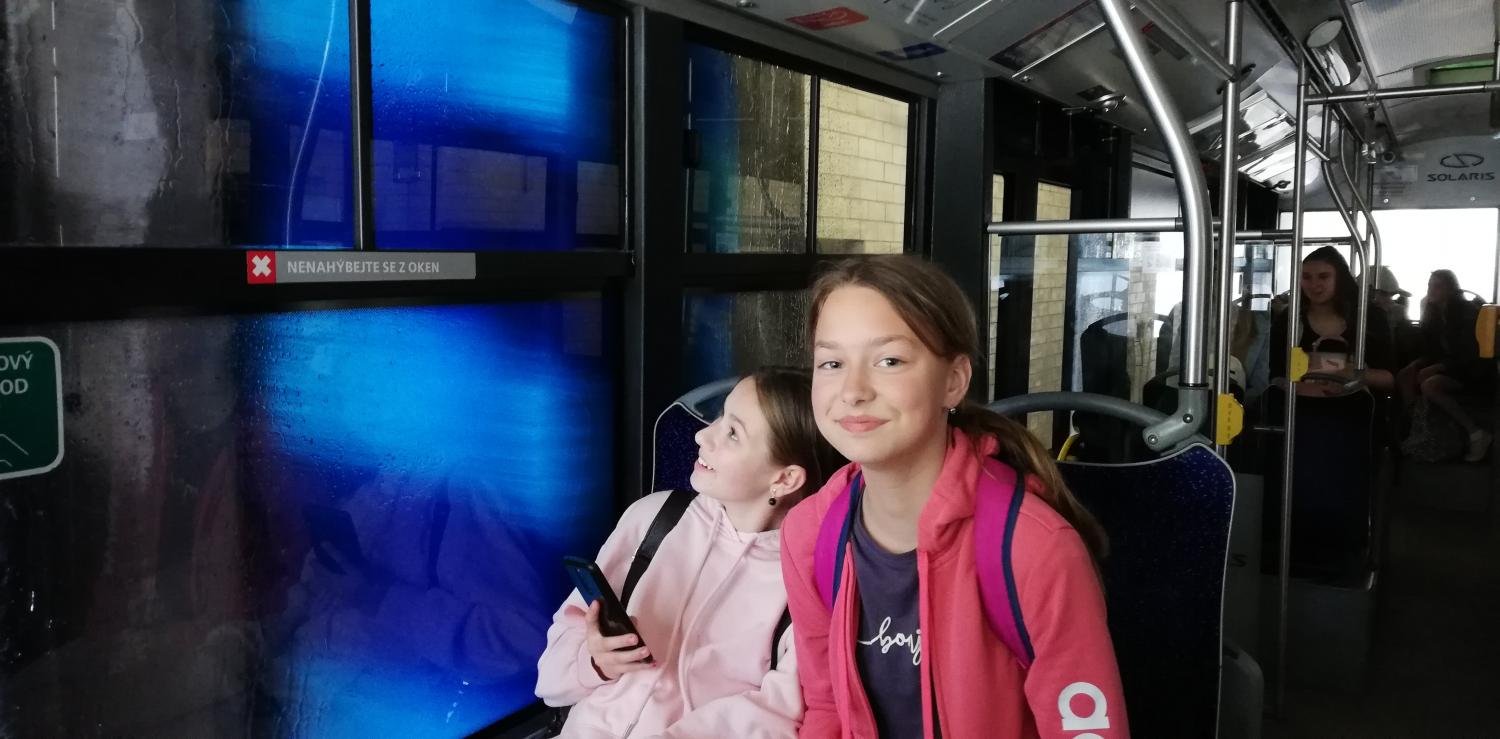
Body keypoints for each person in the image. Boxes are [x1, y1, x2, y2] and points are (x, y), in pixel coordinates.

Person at [782, 256, 1126, 738]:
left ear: (954, 381)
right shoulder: (810, 533)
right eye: (832, 363)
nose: (853, 391)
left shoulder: (1035, 549)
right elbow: (827, 707)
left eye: (889, 361)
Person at [536, 367, 845, 738]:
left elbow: (779, 716)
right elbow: (550, 679)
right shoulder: (652, 518)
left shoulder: (809, 579)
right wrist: (596, 663)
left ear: (785, 479)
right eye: (720, 416)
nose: (702, 435)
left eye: (732, 433)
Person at [1270, 246, 1395, 397]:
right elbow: (1275, 375)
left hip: (1357, 407)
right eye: (1306, 277)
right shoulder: (1290, 319)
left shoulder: (1370, 318)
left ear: (1340, 279)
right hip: (1301, 405)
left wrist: (1351, 374)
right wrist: (1302, 388)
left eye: (1323, 277)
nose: (1314, 285)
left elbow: (1389, 380)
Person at [1398, 270, 1492, 461]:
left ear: (1450, 289)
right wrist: (1419, 363)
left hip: (1471, 372)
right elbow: (1431, 349)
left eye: (1437, 286)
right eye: (1429, 285)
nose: (1431, 290)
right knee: (1405, 375)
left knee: (1430, 385)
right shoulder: (1434, 315)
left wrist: (1437, 367)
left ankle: (1475, 433)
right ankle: (1416, 426)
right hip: (1448, 366)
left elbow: (1467, 355)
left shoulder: (1467, 315)